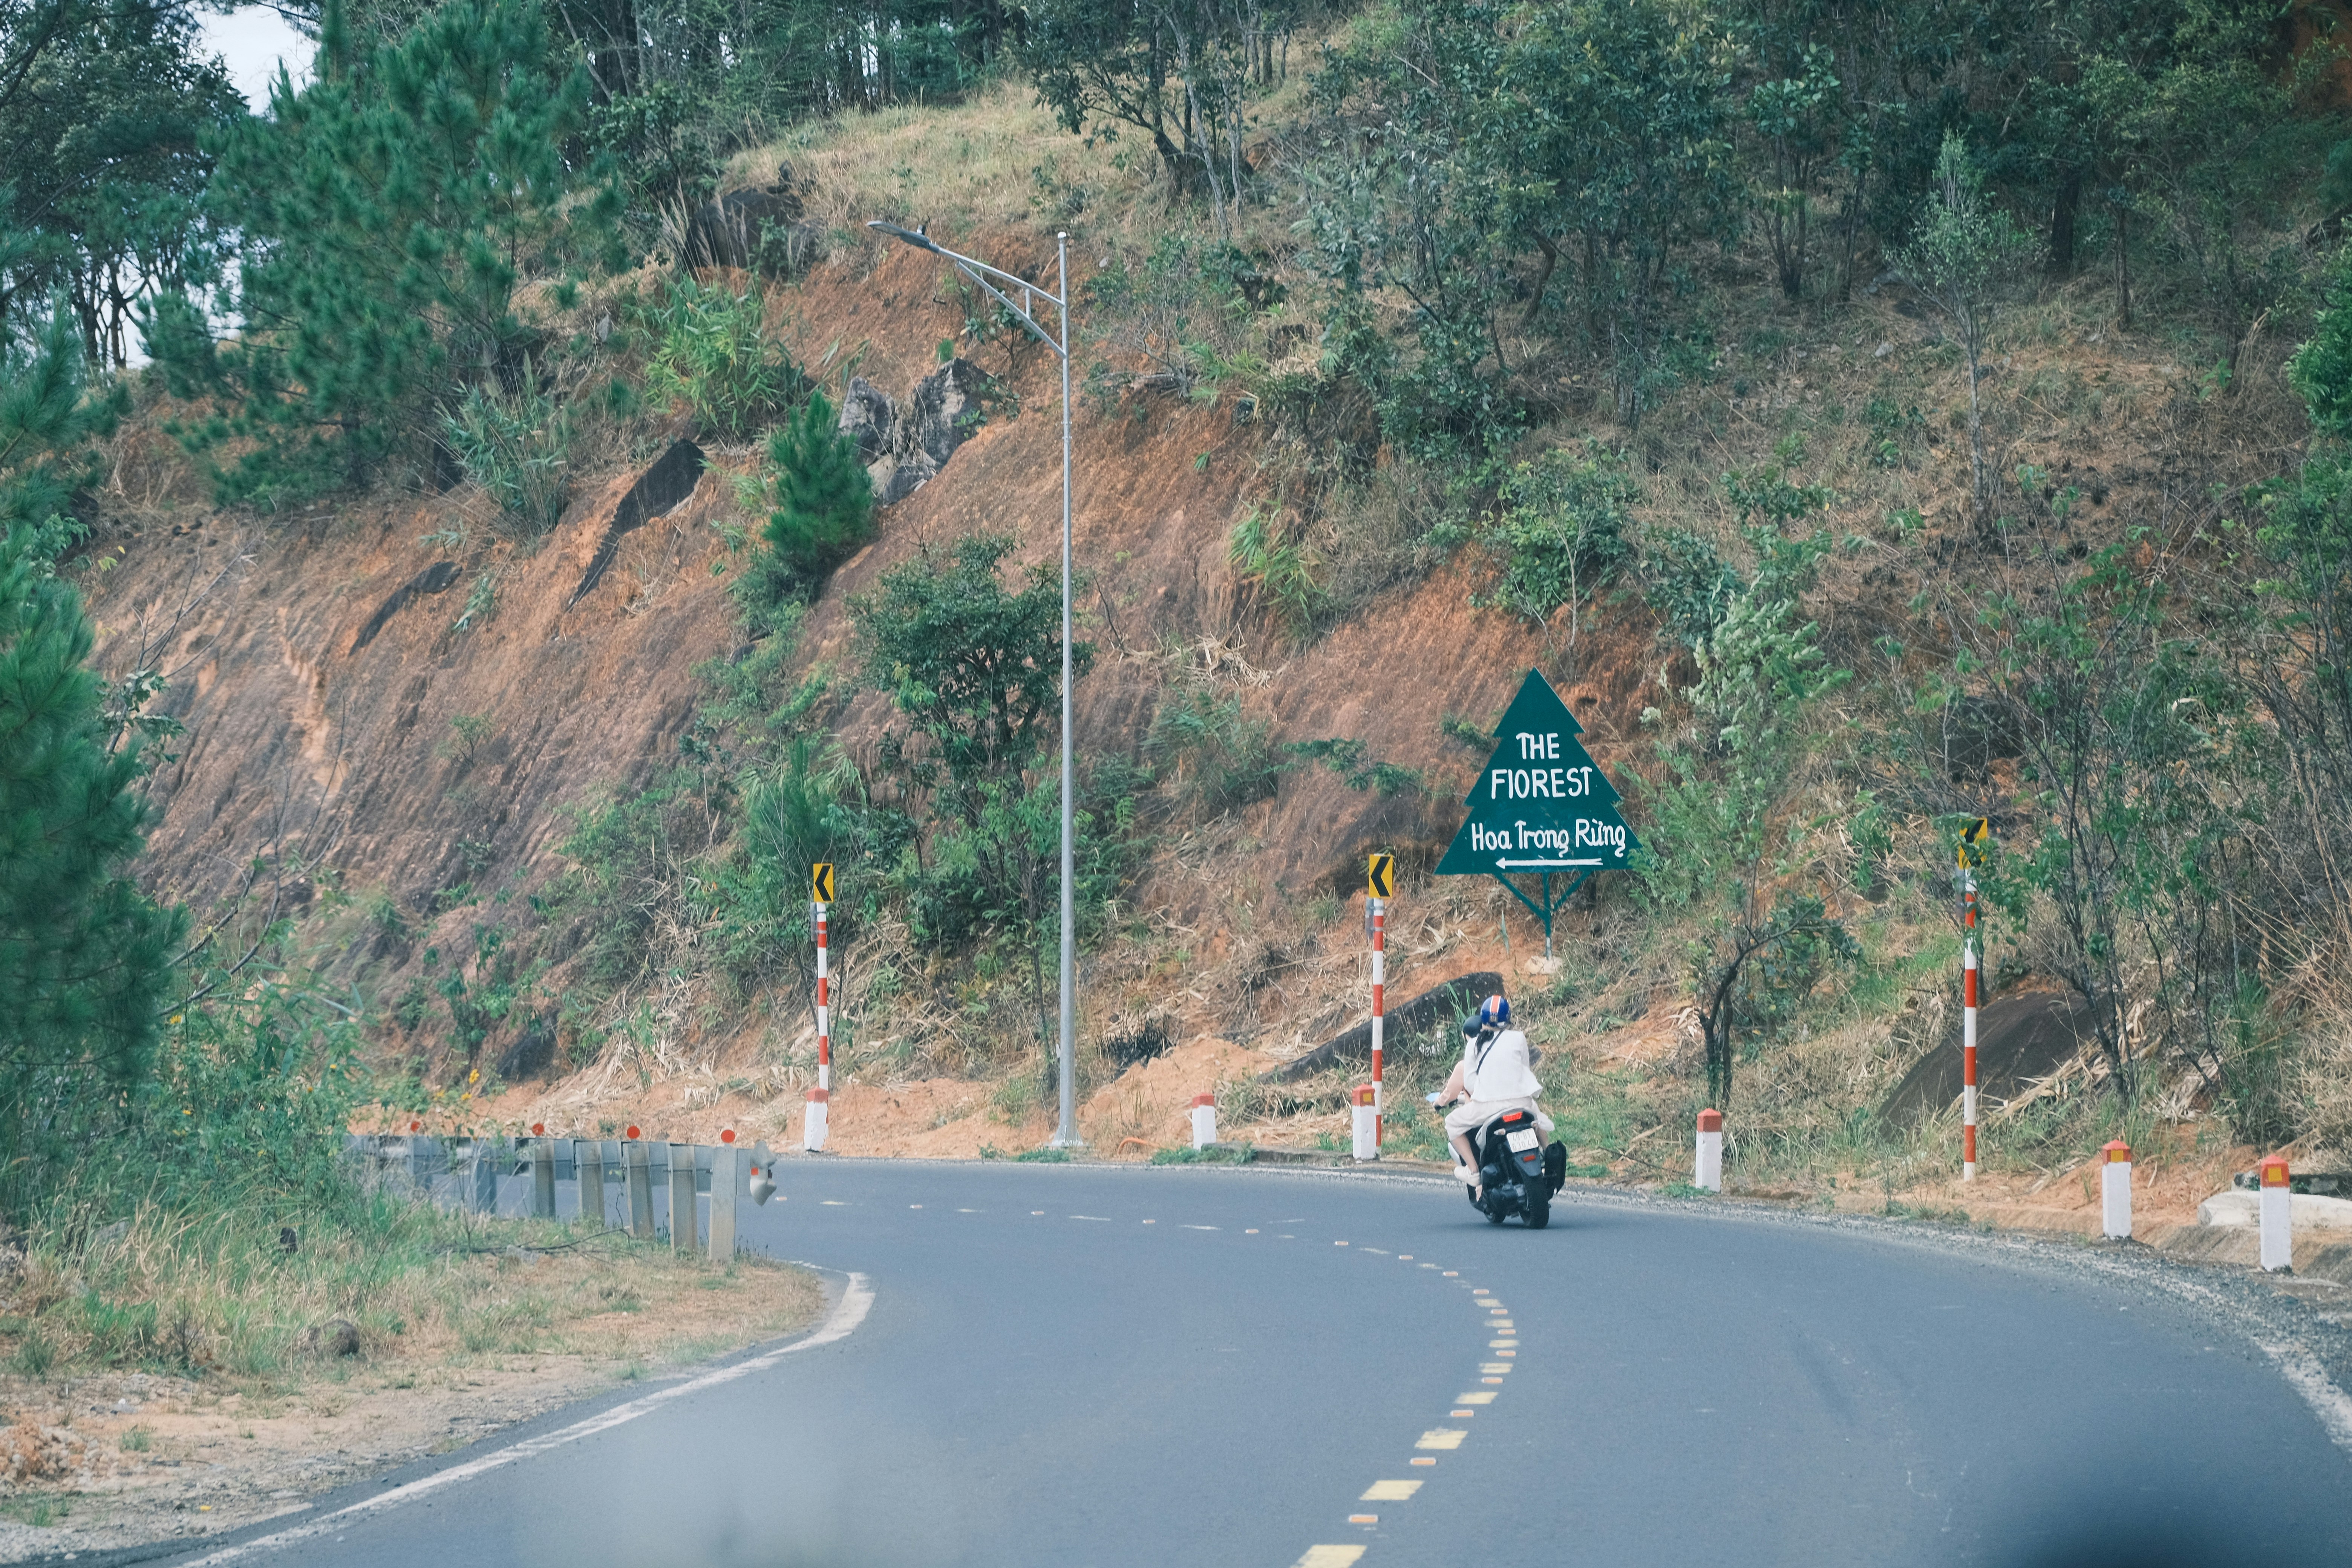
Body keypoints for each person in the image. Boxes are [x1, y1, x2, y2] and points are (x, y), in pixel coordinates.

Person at [1431, 994, 1553, 1193]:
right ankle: (1547, 1153)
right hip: (1522, 1102)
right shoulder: (1519, 1038)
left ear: (1483, 1019)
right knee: (1536, 1118)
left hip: (1488, 1107)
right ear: (1508, 1019)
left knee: (1452, 1123)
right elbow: (1524, 1069)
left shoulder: (1474, 1044)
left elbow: (1470, 1083)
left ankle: (1473, 1171)